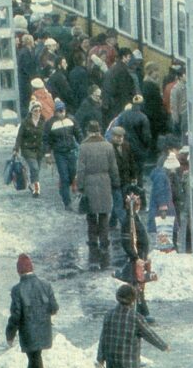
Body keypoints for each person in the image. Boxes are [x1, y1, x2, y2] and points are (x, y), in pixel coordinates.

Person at [5, 254, 58, 368]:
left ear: (19, 271)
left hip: (28, 333)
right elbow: (54, 308)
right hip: (44, 331)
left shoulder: (17, 290)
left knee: (36, 364)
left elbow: (16, 315)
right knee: (34, 360)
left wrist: (10, 334)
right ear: (32, 268)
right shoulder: (46, 285)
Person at [77, 120, 120, 269]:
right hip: (104, 181)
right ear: (100, 131)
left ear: (88, 131)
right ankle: (104, 241)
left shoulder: (83, 147)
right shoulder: (108, 146)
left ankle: (93, 240)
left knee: (90, 214)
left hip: (89, 182)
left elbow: (81, 168)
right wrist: (116, 182)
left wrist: (80, 186)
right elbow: (113, 167)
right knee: (103, 214)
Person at [118, 189, 157, 322]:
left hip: (141, 257)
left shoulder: (134, 218)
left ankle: (141, 312)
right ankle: (142, 313)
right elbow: (127, 242)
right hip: (136, 259)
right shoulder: (128, 220)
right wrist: (135, 257)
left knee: (139, 286)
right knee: (136, 287)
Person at [43, 99, 82, 211]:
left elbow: (78, 133)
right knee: (64, 177)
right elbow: (46, 139)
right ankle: (67, 202)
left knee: (73, 173)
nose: (61, 113)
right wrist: (47, 154)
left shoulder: (71, 120)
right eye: (59, 111)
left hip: (71, 151)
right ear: (55, 112)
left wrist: (83, 144)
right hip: (59, 153)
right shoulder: (50, 123)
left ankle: (65, 190)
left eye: (62, 110)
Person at [14, 100, 45, 198]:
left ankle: (32, 184)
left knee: (36, 169)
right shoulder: (25, 123)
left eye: (39, 110)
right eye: (35, 110)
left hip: (39, 149)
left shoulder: (43, 122)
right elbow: (20, 136)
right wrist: (16, 148)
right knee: (34, 167)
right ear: (31, 111)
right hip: (28, 148)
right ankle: (36, 190)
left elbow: (47, 136)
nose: (38, 113)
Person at [117, 94, 152, 183]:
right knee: (139, 173)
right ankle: (138, 192)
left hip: (125, 148)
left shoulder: (123, 115)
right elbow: (146, 137)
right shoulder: (143, 118)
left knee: (126, 171)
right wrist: (146, 148)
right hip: (139, 150)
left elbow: (118, 130)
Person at [110, 126, 137, 229]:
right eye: (117, 137)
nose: (120, 139)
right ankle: (126, 226)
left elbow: (131, 162)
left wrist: (134, 176)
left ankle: (112, 222)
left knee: (121, 200)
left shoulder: (126, 146)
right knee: (119, 203)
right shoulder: (109, 148)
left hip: (126, 179)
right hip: (115, 180)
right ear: (112, 137)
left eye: (121, 137)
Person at [140, 61, 168, 155]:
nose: (157, 73)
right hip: (153, 115)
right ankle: (152, 152)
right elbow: (157, 101)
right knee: (154, 134)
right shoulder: (150, 85)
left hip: (150, 113)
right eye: (156, 71)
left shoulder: (147, 83)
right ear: (150, 72)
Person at [103, 48, 136, 124]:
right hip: (118, 105)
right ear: (123, 57)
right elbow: (124, 91)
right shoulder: (122, 71)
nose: (130, 59)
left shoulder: (114, 68)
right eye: (129, 57)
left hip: (111, 103)